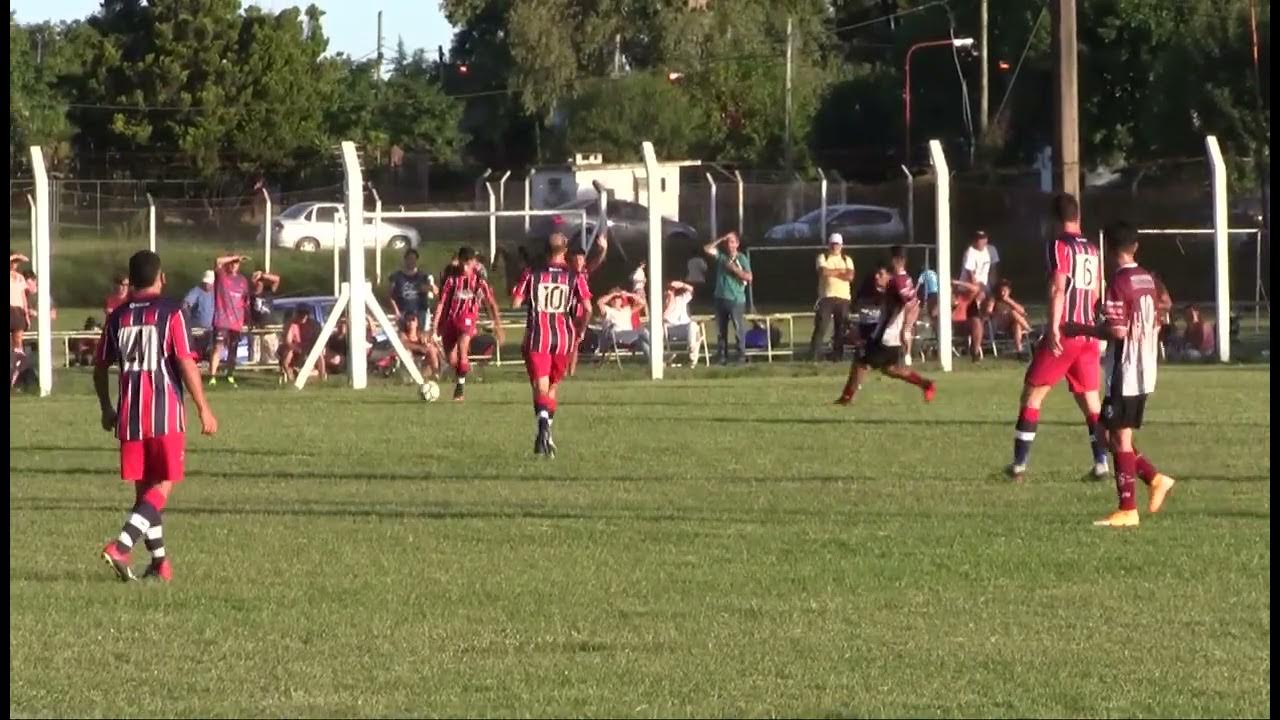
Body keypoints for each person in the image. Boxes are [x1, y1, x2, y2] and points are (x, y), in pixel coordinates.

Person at [94, 250, 218, 582]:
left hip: (130, 417)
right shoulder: (172, 312)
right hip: (164, 413)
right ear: (160, 277)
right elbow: (185, 361)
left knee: (144, 493)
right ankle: (121, 546)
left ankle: (160, 564)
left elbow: (100, 366)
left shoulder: (117, 316)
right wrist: (203, 407)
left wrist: (107, 407)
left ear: (131, 280)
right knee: (162, 487)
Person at [1065, 222, 1176, 527]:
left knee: (1118, 437)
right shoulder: (1147, 279)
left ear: (1110, 250)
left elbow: (1116, 330)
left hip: (1126, 369)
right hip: (1145, 367)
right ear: (1135, 247)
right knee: (1106, 434)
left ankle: (1128, 509)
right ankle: (1155, 479)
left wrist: (1079, 328)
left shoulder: (1120, 281)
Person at [1007, 193, 1109, 482]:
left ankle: (1018, 465)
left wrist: (1053, 326)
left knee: (1032, 394)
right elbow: (1097, 291)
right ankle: (1101, 463)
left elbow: (1058, 287)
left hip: (1065, 332)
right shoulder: (1091, 249)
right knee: (1090, 401)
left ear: (1054, 219)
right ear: (1079, 216)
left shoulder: (1059, 245)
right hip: (1088, 333)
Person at [511, 230, 592, 456]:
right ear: (565, 251)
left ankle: (543, 425)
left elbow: (516, 302)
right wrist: (580, 328)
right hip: (564, 337)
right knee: (553, 387)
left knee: (540, 386)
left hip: (538, 335)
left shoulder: (531, 274)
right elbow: (588, 308)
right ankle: (547, 435)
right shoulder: (574, 276)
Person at [835, 246, 937, 405]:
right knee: (891, 369)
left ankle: (846, 399)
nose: (877, 276)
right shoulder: (905, 279)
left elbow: (911, 305)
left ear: (896, 260)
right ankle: (926, 384)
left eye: (881, 274)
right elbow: (913, 302)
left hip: (887, 335)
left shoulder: (897, 282)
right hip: (890, 335)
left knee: (862, 363)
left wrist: (906, 328)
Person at [431, 246, 504, 402]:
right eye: (463, 263)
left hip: (467, 319)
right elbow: (441, 303)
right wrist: (435, 325)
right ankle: (462, 372)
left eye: (468, 263)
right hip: (451, 321)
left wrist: (498, 326)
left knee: (463, 350)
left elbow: (491, 303)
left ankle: (460, 389)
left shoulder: (478, 282)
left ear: (473, 263)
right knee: (452, 360)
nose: (465, 267)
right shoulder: (452, 281)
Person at [702, 231, 753, 365]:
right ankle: (722, 355)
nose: (729, 245)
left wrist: (735, 269)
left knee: (738, 328)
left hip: (736, 299)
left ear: (737, 244)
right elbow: (707, 249)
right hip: (720, 298)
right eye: (727, 242)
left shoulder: (741, 258)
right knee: (721, 330)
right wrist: (721, 238)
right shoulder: (722, 257)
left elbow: (749, 277)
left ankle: (741, 355)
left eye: (732, 242)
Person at [810, 232, 855, 362]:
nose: (835, 247)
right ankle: (814, 355)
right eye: (833, 244)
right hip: (826, 297)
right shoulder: (822, 257)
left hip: (843, 298)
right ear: (829, 245)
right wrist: (841, 272)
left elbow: (850, 276)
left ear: (841, 246)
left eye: (837, 244)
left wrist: (832, 273)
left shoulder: (847, 259)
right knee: (821, 326)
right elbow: (823, 272)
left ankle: (837, 356)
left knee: (840, 328)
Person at [209, 254, 250, 386]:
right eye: (232, 263)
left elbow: (246, 301)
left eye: (236, 263)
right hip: (222, 319)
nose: (233, 265)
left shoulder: (243, 280)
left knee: (233, 349)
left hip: (237, 322)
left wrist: (247, 319)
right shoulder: (222, 276)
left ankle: (230, 375)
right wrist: (235, 256)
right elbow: (217, 261)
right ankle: (212, 376)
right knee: (218, 347)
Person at [597, 288, 651, 359]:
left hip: (630, 336)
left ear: (621, 300)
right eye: (614, 299)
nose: (616, 300)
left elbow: (642, 303)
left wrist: (628, 294)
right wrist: (614, 294)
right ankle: (658, 347)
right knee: (644, 331)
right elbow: (600, 302)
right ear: (610, 301)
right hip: (617, 336)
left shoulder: (626, 310)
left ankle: (656, 362)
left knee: (643, 343)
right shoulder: (609, 311)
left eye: (618, 298)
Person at [389, 249, 437, 328]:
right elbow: (390, 296)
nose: (412, 261)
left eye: (414, 259)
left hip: (420, 312)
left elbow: (436, 291)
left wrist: (430, 286)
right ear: (405, 259)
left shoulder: (423, 276)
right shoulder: (397, 276)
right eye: (409, 259)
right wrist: (396, 311)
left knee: (421, 336)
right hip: (403, 312)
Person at [985, 279, 1031, 355]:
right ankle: (1029, 329)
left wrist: (1007, 300)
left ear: (1009, 291)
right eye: (1001, 291)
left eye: (1005, 291)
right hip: (999, 323)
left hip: (1011, 324)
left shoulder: (1011, 300)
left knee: (1017, 325)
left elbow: (1023, 311)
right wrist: (1000, 314)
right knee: (1012, 313)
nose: (1002, 293)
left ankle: (1019, 350)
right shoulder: (994, 300)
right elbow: (988, 312)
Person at [663, 280, 702, 365]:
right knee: (695, 331)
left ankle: (691, 353)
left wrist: (682, 285)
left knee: (694, 327)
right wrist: (669, 302)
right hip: (671, 329)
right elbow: (664, 317)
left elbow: (691, 290)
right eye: (669, 289)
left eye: (673, 289)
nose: (671, 291)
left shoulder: (681, 299)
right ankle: (692, 358)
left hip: (685, 328)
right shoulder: (665, 301)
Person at [279, 308, 319, 383]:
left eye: (305, 315)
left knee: (318, 356)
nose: (303, 317)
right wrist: (297, 349)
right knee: (288, 354)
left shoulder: (311, 325)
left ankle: (320, 375)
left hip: (306, 350)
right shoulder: (292, 325)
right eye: (301, 315)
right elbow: (288, 341)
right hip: (295, 349)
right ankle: (290, 377)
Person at [182, 271, 217, 359]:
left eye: (209, 283)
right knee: (197, 346)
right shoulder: (196, 291)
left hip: (212, 328)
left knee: (209, 347)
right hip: (197, 327)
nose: (207, 285)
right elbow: (185, 304)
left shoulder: (216, 292)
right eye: (205, 283)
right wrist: (187, 316)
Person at [397, 312, 441, 379]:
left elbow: (431, 341)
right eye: (408, 320)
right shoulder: (402, 335)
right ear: (405, 323)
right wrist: (420, 348)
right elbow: (404, 344)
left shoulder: (421, 335)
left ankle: (436, 373)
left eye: (413, 320)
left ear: (417, 323)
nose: (411, 322)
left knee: (432, 348)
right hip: (411, 363)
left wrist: (429, 342)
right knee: (407, 352)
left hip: (423, 364)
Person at [951, 278, 985, 360]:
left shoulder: (963, 296)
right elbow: (934, 313)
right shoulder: (942, 298)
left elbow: (975, 289)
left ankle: (975, 353)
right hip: (950, 324)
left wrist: (958, 282)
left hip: (963, 324)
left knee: (976, 322)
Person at [10, 253, 30, 352]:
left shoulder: (20, 277)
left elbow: (23, 297)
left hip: (18, 310)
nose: (14, 265)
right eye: (13, 262)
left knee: (18, 339)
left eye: (16, 263)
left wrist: (26, 315)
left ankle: (18, 363)